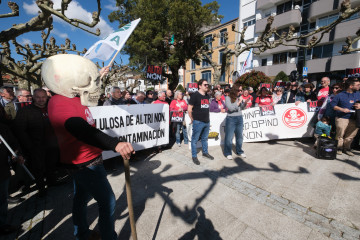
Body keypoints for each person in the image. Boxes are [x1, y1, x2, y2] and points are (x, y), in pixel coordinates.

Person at [42, 55, 135, 240]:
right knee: (108, 201)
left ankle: (82, 234)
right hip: (85, 164)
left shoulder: (73, 95)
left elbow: (86, 90)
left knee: (81, 199)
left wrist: (97, 75)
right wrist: (114, 144)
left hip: (88, 161)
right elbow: (80, 128)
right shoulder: (58, 102)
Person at [14, 89, 60, 196]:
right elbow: (19, 130)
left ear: (46, 97)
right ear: (33, 98)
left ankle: (52, 182)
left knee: (51, 164)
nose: (41, 99)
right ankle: (41, 189)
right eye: (38, 97)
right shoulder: (25, 111)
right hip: (36, 146)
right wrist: (29, 145)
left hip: (52, 143)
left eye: (43, 97)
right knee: (38, 168)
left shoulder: (51, 108)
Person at [0, 123, 24, 235]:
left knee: (2, 199)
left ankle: (2, 225)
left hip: (2, 170)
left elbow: (13, 142)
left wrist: (16, 152)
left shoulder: (2, 127)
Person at [330, 78, 360, 156]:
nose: (359, 86)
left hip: (355, 118)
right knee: (340, 134)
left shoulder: (358, 93)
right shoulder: (340, 95)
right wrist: (342, 109)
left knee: (350, 135)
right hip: (342, 118)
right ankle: (339, 148)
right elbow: (333, 105)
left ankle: (347, 148)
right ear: (351, 86)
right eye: (358, 85)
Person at [188, 79, 214, 165]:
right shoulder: (195, 96)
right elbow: (189, 109)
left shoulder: (207, 95)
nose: (207, 86)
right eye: (205, 85)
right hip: (198, 122)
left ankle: (205, 153)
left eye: (207, 85)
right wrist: (192, 119)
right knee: (194, 139)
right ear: (199, 86)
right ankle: (194, 156)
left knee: (204, 138)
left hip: (207, 121)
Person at [224, 83, 247, 160]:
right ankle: (227, 152)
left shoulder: (239, 98)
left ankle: (239, 151)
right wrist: (239, 102)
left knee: (239, 136)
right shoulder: (228, 98)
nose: (241, 92)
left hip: (239, 118)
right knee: (229, 137)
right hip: (231, 119)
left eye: (241, 90)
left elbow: (241, 108)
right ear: (235, 90)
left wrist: (245, 103)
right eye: (239, 90)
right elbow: (230, 108)